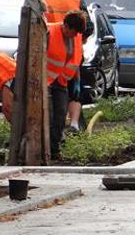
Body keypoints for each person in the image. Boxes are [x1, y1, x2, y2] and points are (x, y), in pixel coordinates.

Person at [42, 0, 93, 138]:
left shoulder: (44, 1)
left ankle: (52, 128)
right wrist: (81, 39)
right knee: (74, 90)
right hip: (74, 53)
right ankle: (73, 124)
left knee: (50, 91)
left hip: (50, 52)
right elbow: (89, 27)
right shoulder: (77, 1)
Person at [45, 11, 87, 159]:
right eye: (73, 32)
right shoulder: (49, 32)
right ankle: (46, 150)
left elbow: (76, 61)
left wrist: (76, 81)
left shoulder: (76, 37)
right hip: (46, 81)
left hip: (62, 81)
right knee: (48, 116)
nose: (75, 36)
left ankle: (55, 149)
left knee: (61, 115)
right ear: (66, 26)